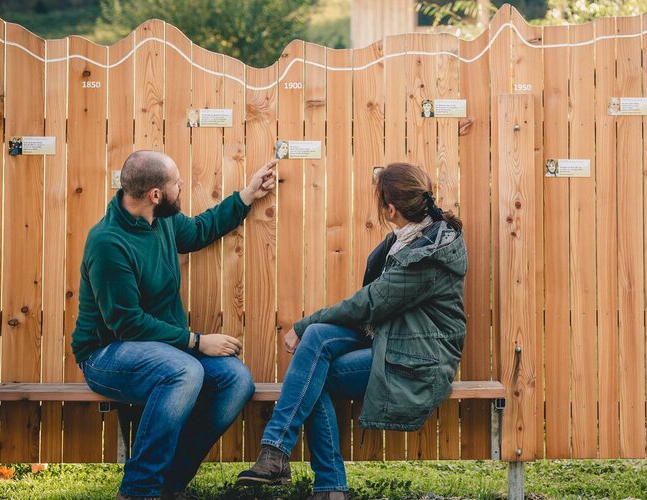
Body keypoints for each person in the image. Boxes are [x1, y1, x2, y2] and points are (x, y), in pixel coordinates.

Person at [236, 162, 467, 500]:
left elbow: (371, 302)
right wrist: (311, 328)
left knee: (314, 374)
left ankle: (323, 483)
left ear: (390, 208)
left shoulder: (427, 254)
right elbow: (375, 307)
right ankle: (275, 455)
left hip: (419, 357)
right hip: (392, 335)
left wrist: (303, 322)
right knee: (315, 345)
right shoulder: (415, 236)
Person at [71, 150, 278, 499]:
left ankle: (168, 485)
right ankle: (139, 490)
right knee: (185, 371)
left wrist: (246, 196)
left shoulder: (161, 220)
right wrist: (197, 341)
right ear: (155, 194)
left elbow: (197, 231)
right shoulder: (108, 242)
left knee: (235, 380)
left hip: (167, 351)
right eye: (176, 184)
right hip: (105, 355)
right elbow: (127, 324)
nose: (181, 187)